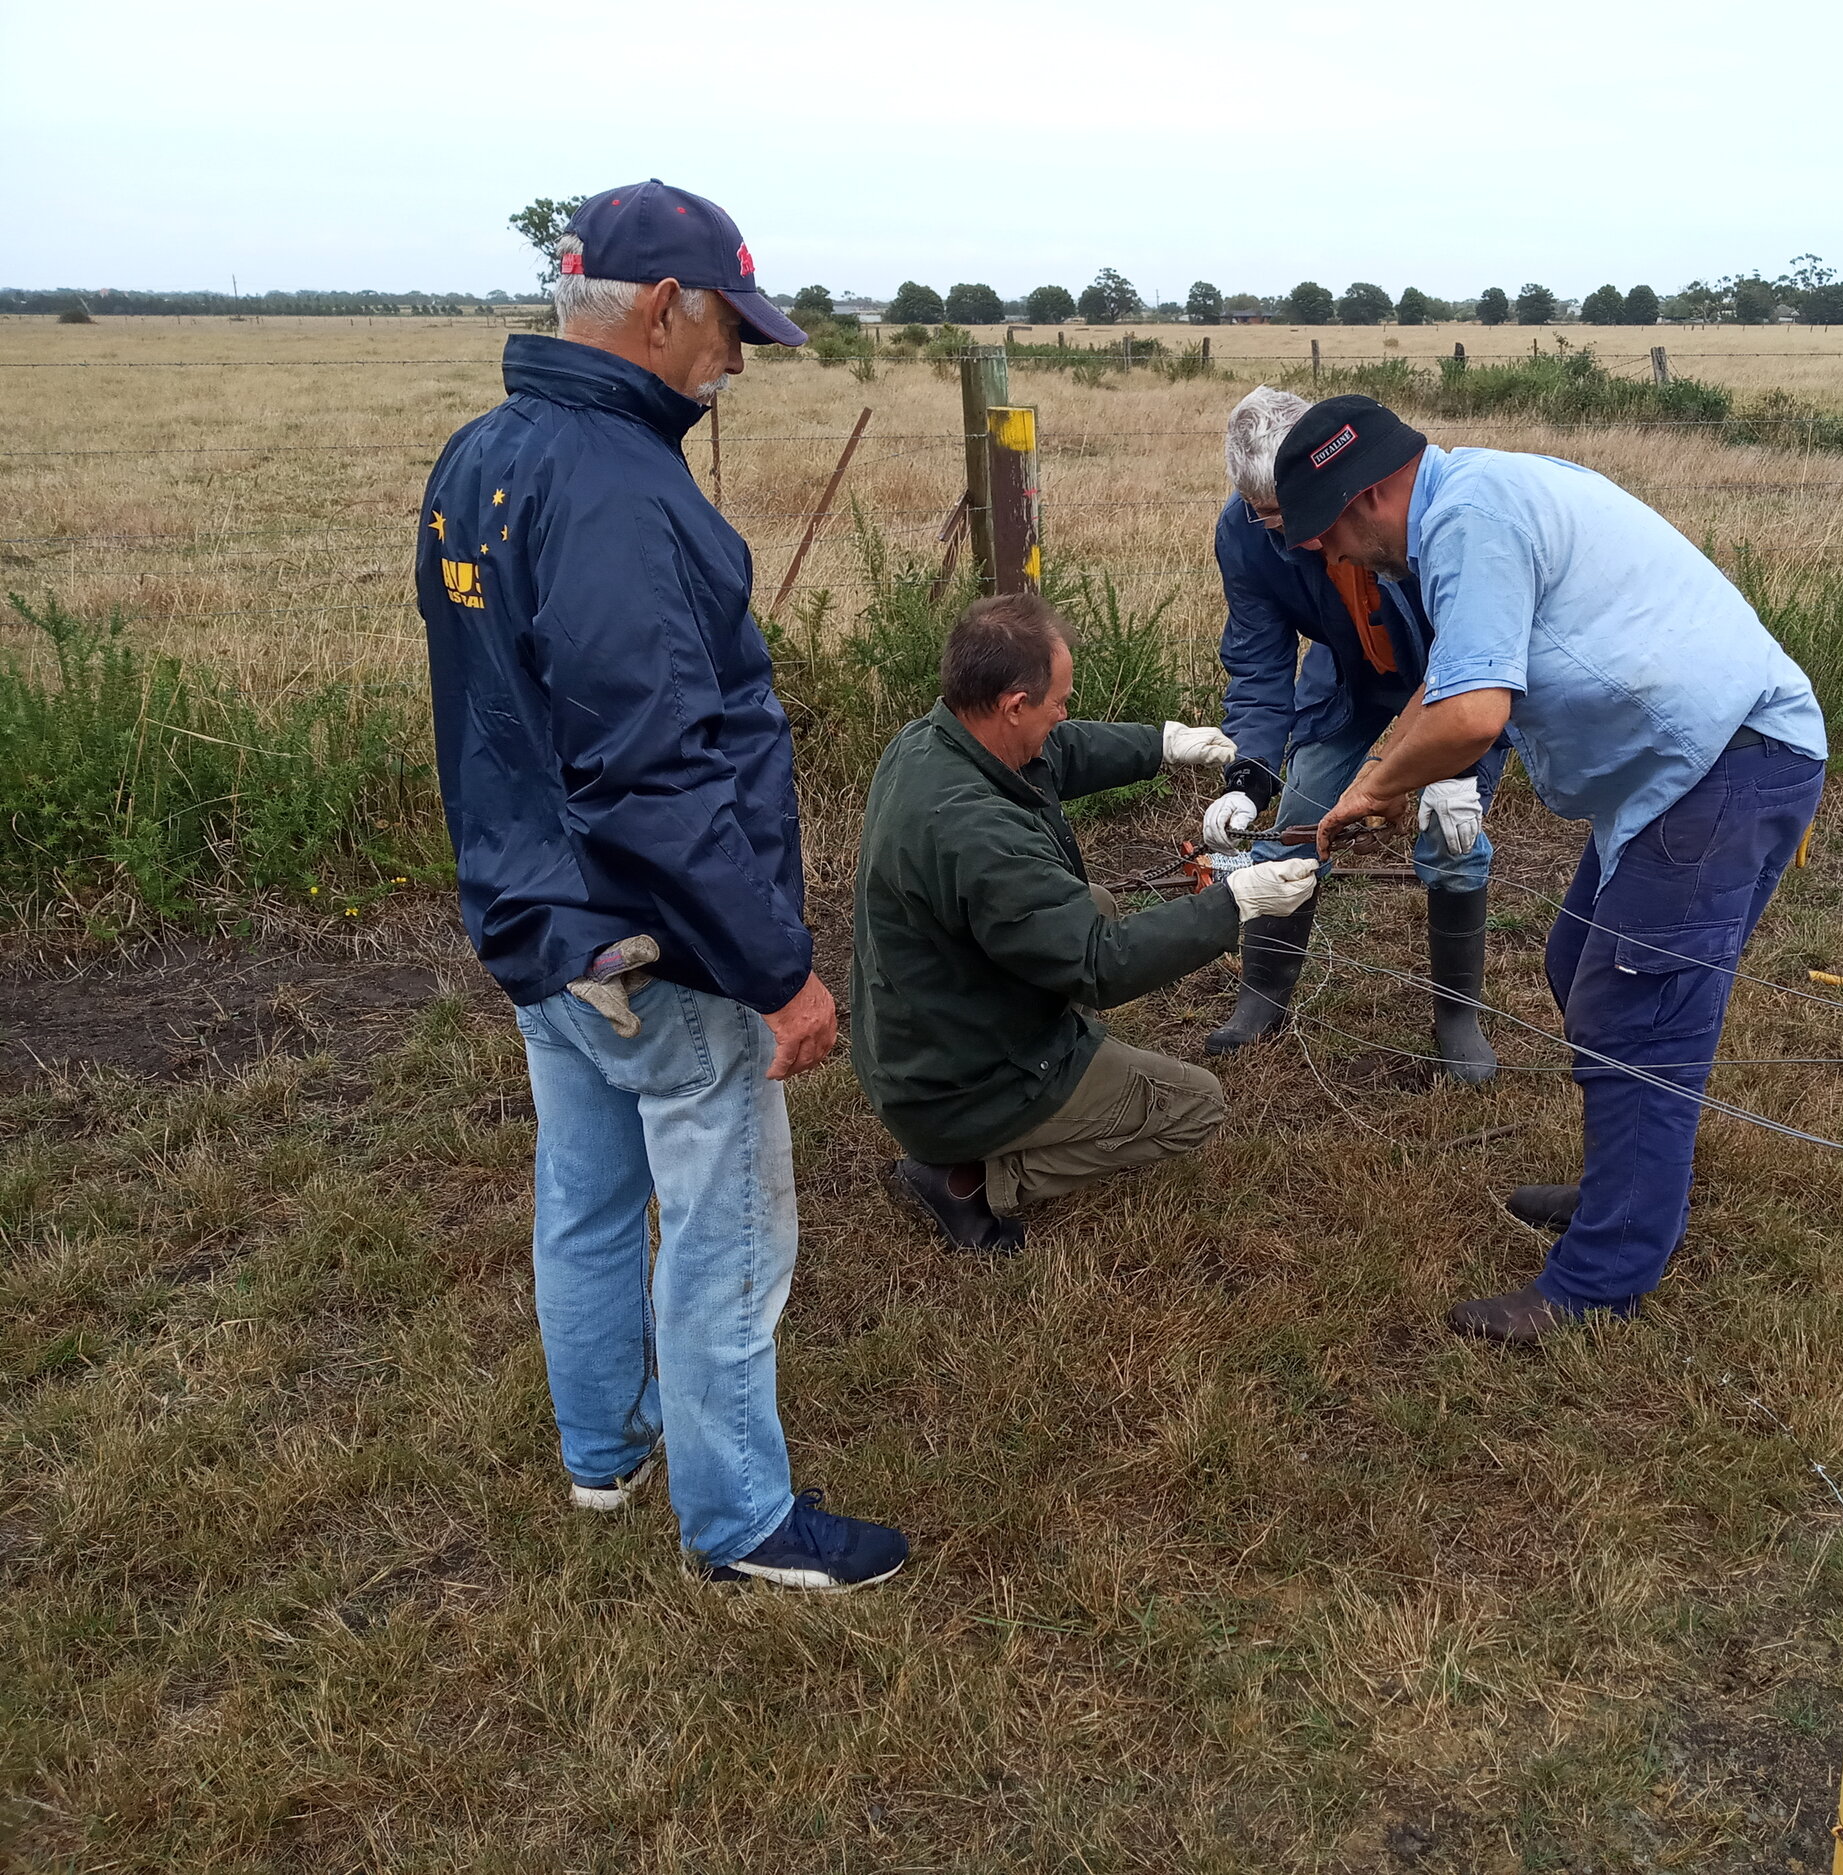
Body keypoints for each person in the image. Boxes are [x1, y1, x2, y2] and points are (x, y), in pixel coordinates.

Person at [416, 180, 906, 1592]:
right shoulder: (625, 493)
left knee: (581, 1186)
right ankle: (744, 1517)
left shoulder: (480, 457)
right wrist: (775, 968)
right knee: (723, 1227)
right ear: (659, 306)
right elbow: (652, 772)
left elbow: (496, 716)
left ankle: (602, 1448)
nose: (738, 360)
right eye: (730, 327)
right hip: (658, 944)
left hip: (536, 923)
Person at [1289, 395, 1828, 1347]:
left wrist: (1381, 790)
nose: (1337, 556)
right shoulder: (1472, 499)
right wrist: (1377, 777)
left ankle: (1602, 1274)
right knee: (1578, 961)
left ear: (1370, 493)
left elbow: (1472, 718)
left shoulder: (1467, 521)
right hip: (1684, 768)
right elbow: (1447, 682)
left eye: (1333, 531)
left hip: (1727, 760)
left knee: (1635, 1008)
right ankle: (1626, 1178)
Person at [851, 592, 1320, 1252]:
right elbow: (1104, 962)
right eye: (1057, 701)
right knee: (1195, 1104)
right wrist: (1234, 902)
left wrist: (1162, 744)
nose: (1065, 714)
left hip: (922, 1036)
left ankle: (1009, 1091)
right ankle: (970, 1178)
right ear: (1014, 704)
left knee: (1089, 899)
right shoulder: (978, 834)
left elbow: (1061, 751)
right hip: (957, 1085)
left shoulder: (932, 744)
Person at [1198, 387, 1506, 1080]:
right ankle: (1262, 996)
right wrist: (1248, 776)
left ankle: (1458, 1015)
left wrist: (1459, 774)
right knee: (1299, 815)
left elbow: (1483, 659)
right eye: (1265, 516)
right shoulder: (1243, 535)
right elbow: (1258, 659)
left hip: (1447, 676)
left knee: (1451, 831)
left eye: (1293, 513)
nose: (1288, 535)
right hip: (1346, 682)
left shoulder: (1413, 517)